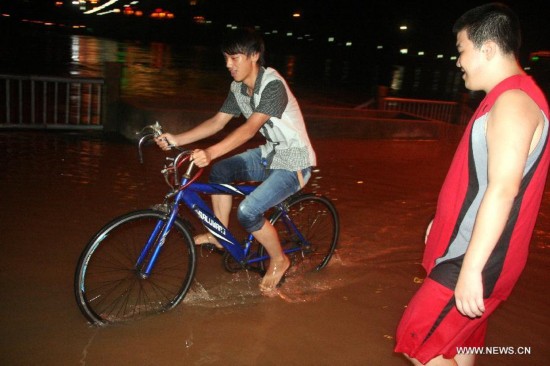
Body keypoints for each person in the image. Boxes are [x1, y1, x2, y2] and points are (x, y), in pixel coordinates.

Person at [394, 3, 550, 365]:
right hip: (470, 249)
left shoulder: (512, 102)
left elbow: (503, 189)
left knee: (417, 344)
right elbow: (480, 180)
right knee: (455, 350)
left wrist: (470, 270)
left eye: (462, 50)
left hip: (473, 258)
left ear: (488, 49)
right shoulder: (509, 97)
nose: (458, 61)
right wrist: (444, 219)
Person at [155, 28, 316, 295]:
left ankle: (279, 259)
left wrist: (211, 152)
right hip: (271, 153)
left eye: (234, 58)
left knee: (248, 212)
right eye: (226, 59)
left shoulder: (273, 85)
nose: (228, 65)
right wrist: (177, 138)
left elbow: (250, 129)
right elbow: (218, 122)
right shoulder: (238, 88)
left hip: (295, 160)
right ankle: (220, 235)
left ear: (254, 56)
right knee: (220, 171)